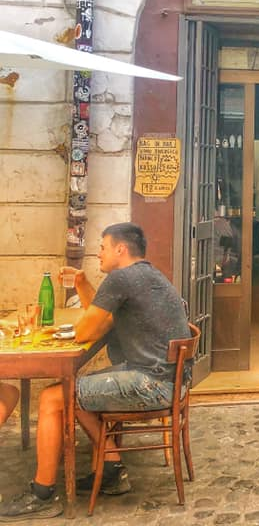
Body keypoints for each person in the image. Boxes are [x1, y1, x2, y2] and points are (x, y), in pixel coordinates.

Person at [0, 223, 192, 522]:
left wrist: (77, 323)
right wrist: (82, 283)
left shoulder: (121, 278)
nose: (99, 253)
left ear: (120, 249)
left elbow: (86, 331)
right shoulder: (147, 275)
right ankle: (112, 470)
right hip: (167, 380)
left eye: (103, 247)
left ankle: (42, 494)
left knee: (53, 398)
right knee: (77, 388)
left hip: (150, 383)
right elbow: (104, 320)